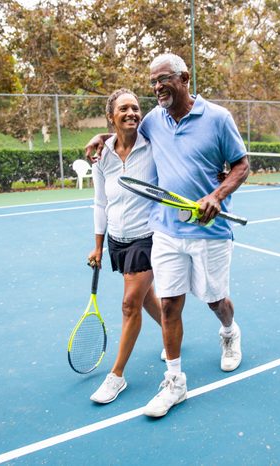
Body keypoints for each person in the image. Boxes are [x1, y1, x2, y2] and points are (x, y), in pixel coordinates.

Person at [86, 53, 250, 418]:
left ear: (184, 78)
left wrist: (217, 196)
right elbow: (124, 131)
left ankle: (229, 331)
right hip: (166, 230)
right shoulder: (153, 122)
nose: (157, 87)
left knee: (214, 300)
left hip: (210, 231)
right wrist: (102, 137)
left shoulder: (218, 119)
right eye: (153, 82)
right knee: (171, 305)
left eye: (163, 79)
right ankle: (175, 381)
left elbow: (242, 164)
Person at [87, 88, 164, 404]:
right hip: (117, 240)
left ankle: (116, 376)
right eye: (124, 109)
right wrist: (98, 246)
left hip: (148, 236)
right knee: (145, 298)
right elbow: (100, 203)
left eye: (135, 108)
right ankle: (170, 329)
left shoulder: (154, 144)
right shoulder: (101, 155)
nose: (132, 113)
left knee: (129, 303)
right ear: (111, 116)